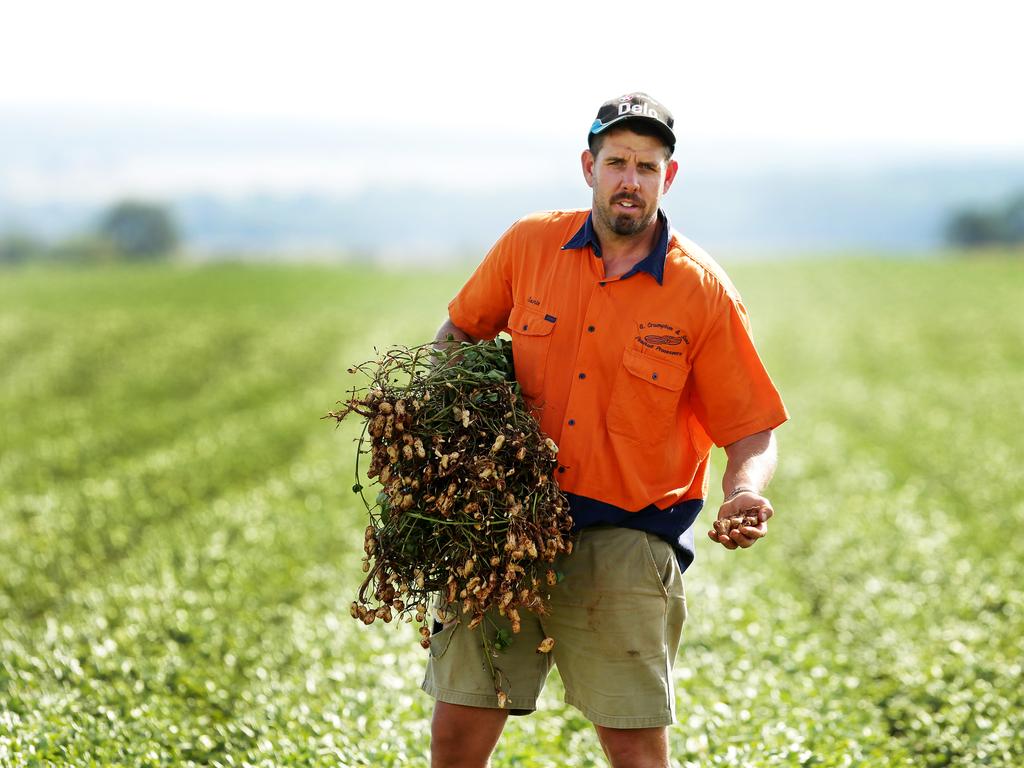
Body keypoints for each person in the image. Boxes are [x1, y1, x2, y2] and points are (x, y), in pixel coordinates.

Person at [423, 92, 789, 768]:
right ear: (589, 166)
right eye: (617, 162)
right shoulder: (529, 244)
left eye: (647, 167)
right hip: (504, 529)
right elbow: (461, 331)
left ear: (667, 178)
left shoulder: (700, 290)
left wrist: (744, 491)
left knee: (634, 745)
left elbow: (752, 426)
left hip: (626, 538)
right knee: (458, 728)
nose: (630, 180)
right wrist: (437, 425)